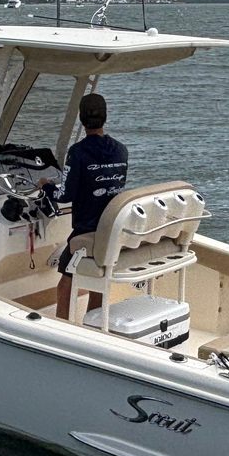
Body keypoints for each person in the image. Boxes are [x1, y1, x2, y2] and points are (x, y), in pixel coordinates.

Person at [42, 92, 128, 321]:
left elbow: (64, 195)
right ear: (105, 117)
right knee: (96, 279)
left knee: (66, 282)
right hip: (110, 229)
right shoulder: (121, 150)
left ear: (81, 119)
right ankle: (93, 323)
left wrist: (45, 186)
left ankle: (61, 326)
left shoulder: (77, 152)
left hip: (86, 231)